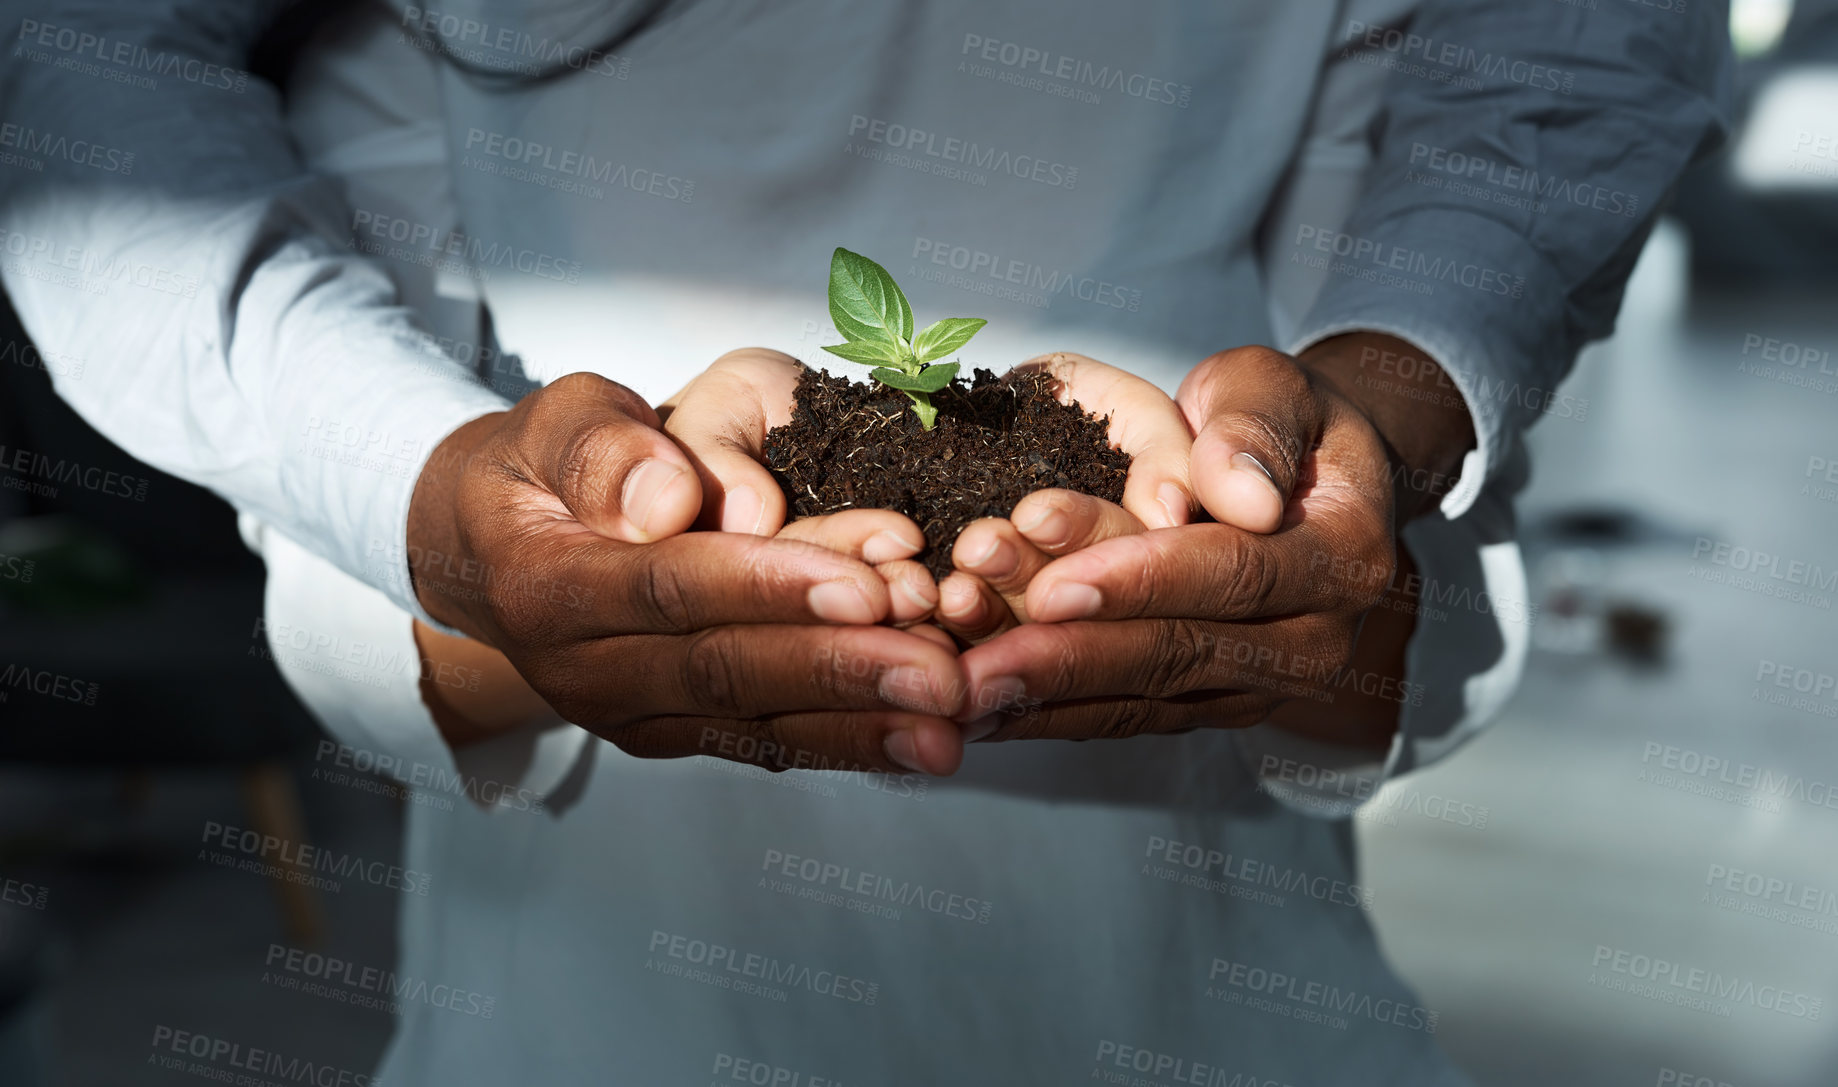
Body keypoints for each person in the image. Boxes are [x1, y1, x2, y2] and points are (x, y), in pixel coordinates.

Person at [0, 0, 1729, 1081]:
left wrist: (1390, 408)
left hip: (1220, 987)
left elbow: (1558, 62)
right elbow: (90, 72)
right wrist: (428, 507)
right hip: (585, 1010)